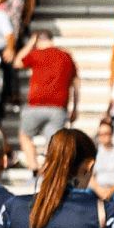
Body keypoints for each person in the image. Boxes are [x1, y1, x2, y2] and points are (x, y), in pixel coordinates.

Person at [14, 27, 76, 170]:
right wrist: (75, 107)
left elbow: (17, 62)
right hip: (58, 107)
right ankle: (50, 170)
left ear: (38, 40)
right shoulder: (66, 56)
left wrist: (30, 43)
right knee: (53, 143)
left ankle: (34, 167)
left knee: (25, 135)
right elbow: (75, 83)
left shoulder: (37, 54)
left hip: (36, 105)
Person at [90, 120, 114, 199]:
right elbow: (90, 176)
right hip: (99, 188)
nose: (103, 136)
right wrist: (99, 190)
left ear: (112, 134)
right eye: (100, 134)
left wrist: (111, 190)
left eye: (106, 133)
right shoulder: (94, 152)